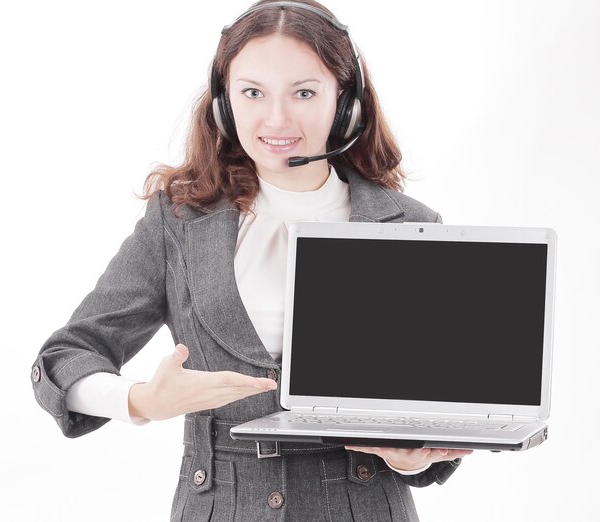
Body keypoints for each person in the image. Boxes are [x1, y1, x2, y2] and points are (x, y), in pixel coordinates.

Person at [31, 0, 471, 520]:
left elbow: (435, 408)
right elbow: (63, 358)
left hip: (366, 504)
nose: (277, 118)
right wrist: (144, 401)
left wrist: (408, 456)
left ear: (345, 102)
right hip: (221, 505)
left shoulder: (410, 224)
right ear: (223, 103)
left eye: (304, 92)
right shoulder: (178, 221)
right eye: (253, 92)